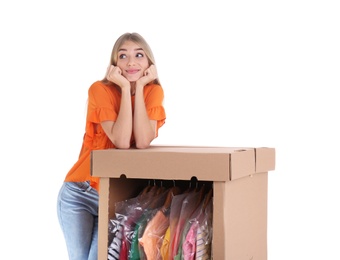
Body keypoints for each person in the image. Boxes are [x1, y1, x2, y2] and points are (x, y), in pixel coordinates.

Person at [57, 32, 166, 260]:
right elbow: (121, 141)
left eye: (139, 55)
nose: (131, 62)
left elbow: (143, 141)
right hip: (80, 191)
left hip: (113, 194)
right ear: (115, 64)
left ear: (149, 62)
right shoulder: (100, 89)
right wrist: (126, 88)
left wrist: (140, 87)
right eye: (123, 56)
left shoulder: (153, 91)